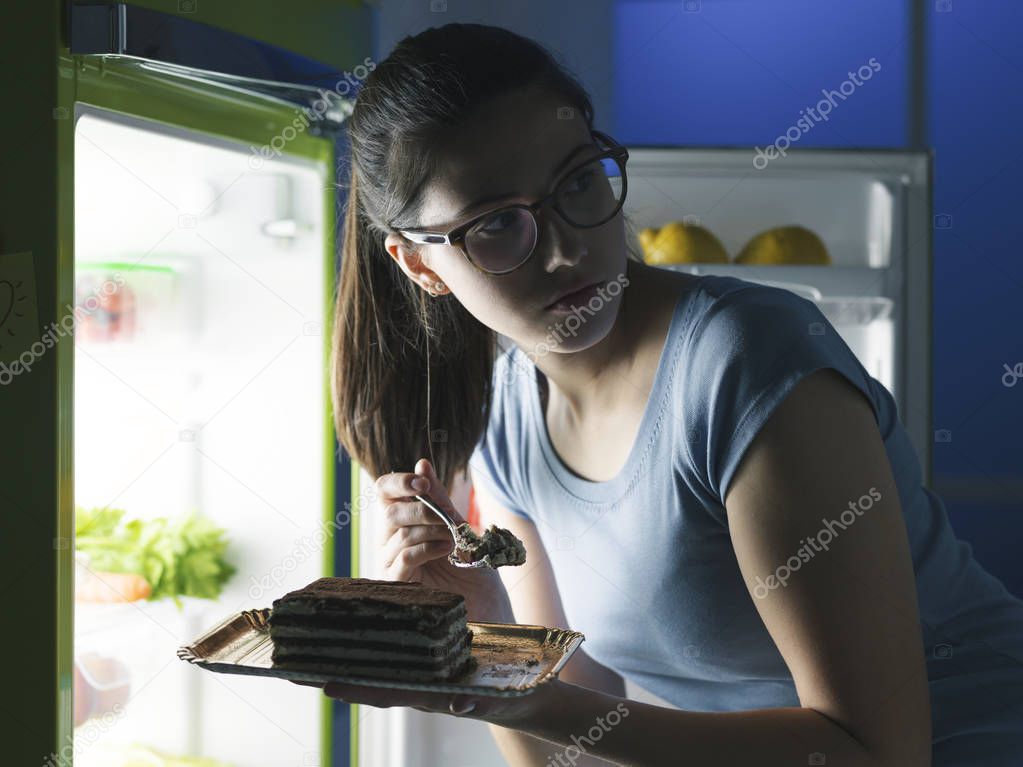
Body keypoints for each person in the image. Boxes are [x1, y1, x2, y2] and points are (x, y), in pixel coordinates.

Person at [322, 22, 1023, 766]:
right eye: (498, 223)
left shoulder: (745, 361)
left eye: (579, 181)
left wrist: (532, 693)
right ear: (418, 265)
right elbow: (571, 754)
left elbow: (876, 751)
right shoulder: (507, 421)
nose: (565, 249)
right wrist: (487, 647)